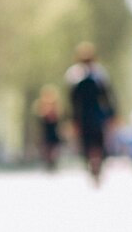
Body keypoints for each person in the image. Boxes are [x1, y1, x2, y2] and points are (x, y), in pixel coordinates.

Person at [65, 42, 116, 185]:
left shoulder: (75, 76)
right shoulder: (98, 75)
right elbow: (108, 97)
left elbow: (72, 102)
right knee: (96, 143)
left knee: (90, 143)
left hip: (84, 116)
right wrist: (112, 115)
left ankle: (94, 164)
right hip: (96, 115)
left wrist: (72, 119)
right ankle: (96, 164)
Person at [34, 85, 63, 172]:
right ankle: (48, 163)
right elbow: (39, 121)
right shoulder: (40, 107)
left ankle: (53, 163)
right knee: (47, 147)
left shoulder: (56, 107)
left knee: (54, 148)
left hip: (53, 131)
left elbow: (58, 119)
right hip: (46, 131)